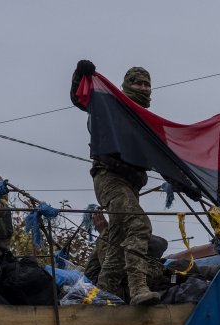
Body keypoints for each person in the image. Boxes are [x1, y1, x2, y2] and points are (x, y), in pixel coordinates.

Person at [70, 61, 161, 306]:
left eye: (146, 84)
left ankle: (103, 296)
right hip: (110, 178)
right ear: (125, 85)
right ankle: (138, 289)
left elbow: (162, 155)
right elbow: (81, 99)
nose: (142, 88)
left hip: (131, 186)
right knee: (139, 225)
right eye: (137, 83)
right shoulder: (111, 106)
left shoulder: (147, 122)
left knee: (117, 244)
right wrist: (80, 75)